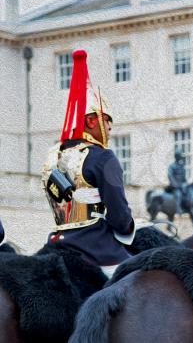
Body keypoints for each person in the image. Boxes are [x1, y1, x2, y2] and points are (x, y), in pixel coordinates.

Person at [42, 50, 135, 279]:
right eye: (106, 121)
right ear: (91, 120)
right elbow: (120, 219)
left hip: (56, 241)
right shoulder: (103, 157)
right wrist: (129, 226)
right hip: (95, 247)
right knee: (145, 279)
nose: (110, 128)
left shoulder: (53, 155)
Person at [168, 149, 187, 214]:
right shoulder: (172, 166)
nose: (180, 158)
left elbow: (183, 176)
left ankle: (186, 208)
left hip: (182, 184)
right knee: (178, 194)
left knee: (188, 192)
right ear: (176, 157)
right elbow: (170, 175)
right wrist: (175, 184)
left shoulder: (181, 165)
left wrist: (185, 183)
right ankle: (178, 209)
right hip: (174, 185)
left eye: (180, 157)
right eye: (179, 156)